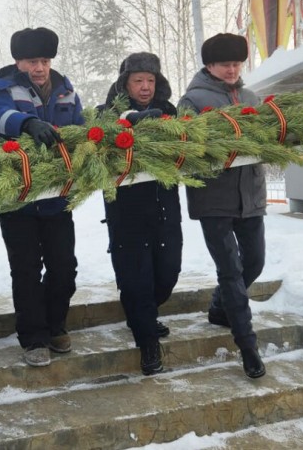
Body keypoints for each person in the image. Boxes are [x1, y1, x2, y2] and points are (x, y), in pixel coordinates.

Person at [0, 27, 84, 367]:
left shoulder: (66, 91)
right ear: (18, 61)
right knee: (25, 269)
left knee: (64, 267)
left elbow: (80, 128)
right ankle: (34, 337)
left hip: (57, 198)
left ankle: (56, 325)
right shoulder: (1, 87)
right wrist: (26, 123)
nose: (39, 68)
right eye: (31, 61)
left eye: (44, 60)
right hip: (18, 199)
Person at [178, 33, 267, 379]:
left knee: (255, 262)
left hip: (251, 196)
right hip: (214, 199)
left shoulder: (251, 97)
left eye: (236, 63)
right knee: (230, 270)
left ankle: (219, 307)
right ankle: (248, 347)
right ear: (209, 66)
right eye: (224, 64)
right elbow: (188, 150)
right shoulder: (193, 102)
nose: (231, 70)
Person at [99, 52, 182, 375]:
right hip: (127, 213)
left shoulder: (170, 113)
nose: (145, 87)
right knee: (136, 279)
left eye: (150, 80)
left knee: (168, 273)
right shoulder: (107, 115)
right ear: (125, 83)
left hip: (165, 208)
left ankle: (143, 315)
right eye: (138, 81)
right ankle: (147, 342)